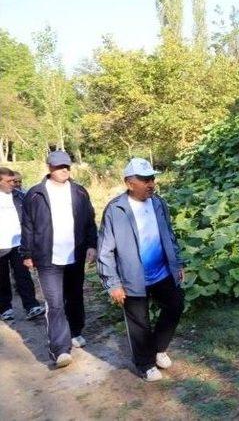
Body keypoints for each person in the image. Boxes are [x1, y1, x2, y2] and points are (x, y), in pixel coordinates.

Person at [97, 158, 185, 382]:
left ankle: (157, 348)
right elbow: (105, 250)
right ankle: (144, 364)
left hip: (162, 271)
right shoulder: (116, 209)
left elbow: (169, 235)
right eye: (145, 179)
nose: (151, 184)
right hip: (132, 278)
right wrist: (113, 283)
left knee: (175, 305)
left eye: (152, 178)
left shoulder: (158, 203)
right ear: (129, 182)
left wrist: (177, 263)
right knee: (139, 323)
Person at [21, 151, 97, 368]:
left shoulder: (80, 191)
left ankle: (75, 331)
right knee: (54, 303)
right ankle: (60, 349)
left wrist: (92, 245)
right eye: (58, 167)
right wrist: (26, 253)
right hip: (47, 258)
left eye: (66, 166)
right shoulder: (35, 194)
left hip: (76, 254)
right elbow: (27, 226)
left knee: (74, 296)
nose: (63, 170)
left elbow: (90, 221)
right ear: (49, 168)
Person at [0, 167, 45, 321]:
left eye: (14, 180)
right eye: (9, 181)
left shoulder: (20, 196)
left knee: (23, 275)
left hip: (19, 243)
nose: (13, 184)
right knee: (2, 278)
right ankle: (5, 308)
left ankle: (31, 305)